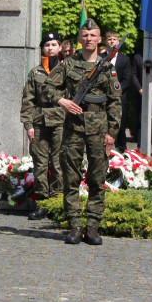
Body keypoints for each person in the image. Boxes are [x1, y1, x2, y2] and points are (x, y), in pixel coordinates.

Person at [46, 18, 121, 246]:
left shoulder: (107, 67)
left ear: (100, 39)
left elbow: (115, 102)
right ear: (79, 40)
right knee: (70, 178)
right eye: (85, 35)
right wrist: (63, 101)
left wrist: (112, 132)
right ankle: (75, 226)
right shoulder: (68, 65)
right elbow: (46, 86)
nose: (89, 39)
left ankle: (93, 227)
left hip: (99, 130)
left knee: (97, 179)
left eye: (93, 35)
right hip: (73, 128)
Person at [20, 32, 65, 220]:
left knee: (58, 163)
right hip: (39, 122)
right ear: (42, 48)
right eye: (47, 45)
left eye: (54, 44)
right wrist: (28, 124)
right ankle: (42, 202)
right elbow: (28, 99)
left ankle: (57, 202)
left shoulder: (66, 70)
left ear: (60, 47)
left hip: (61, 122)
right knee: (39, 162)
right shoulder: (35, 72)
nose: (50, 48)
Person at [103, 31, 132, 151]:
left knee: (119, 128)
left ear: (118, 42)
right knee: (104, 127)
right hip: (103, 98)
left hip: (119, 98)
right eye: (109, 39)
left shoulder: (125, 59)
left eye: (114, 39)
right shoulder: (100, 58)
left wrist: (116, 92)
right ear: (105, 42)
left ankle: (121, 153)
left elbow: (127, 79)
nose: (112, 41)